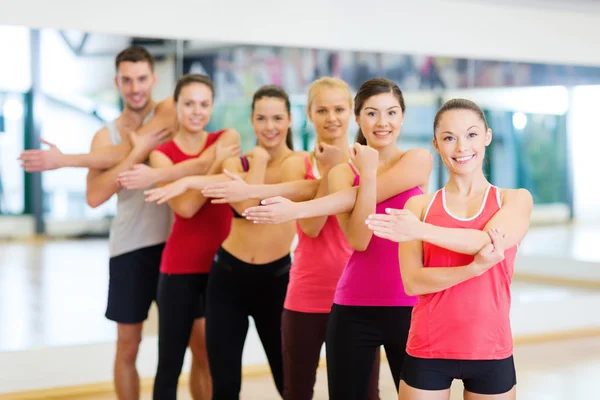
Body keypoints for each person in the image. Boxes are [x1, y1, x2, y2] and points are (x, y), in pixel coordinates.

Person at [241, 78, 433, 400]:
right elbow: (359, 239)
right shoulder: (342, 173)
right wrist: (365, 174)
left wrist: (300, 207)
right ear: (358, 118)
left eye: (391, 112)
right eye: (371, 113)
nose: (382, 122)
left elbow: (356, 197)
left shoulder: (418, 160)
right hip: (353, 306)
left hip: (409, 303)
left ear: (402, 117)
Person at [198, 77, 381, 400]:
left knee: (361, 393)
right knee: (293, 392)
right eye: (322, 110)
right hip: (306, 293)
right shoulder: (298, 163)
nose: (331, 118)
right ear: (309, 114)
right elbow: (310, 227)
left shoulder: (368, 163)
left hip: (357, 293)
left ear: (352, 113)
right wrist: (327, 172)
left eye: (339, 109)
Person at [364, 98, 532, 400]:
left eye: (471, 135)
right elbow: (413, 281)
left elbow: (488, 242)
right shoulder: (418, 206)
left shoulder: (514, 199)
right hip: (428, 347)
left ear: (487, 137)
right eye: (449, 138)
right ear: (436, 144)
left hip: (490, 348)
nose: (461, 147)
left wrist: (420, 230)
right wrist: (473, 268)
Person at [145, 85, 299, 400]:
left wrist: (255, 160)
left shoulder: (300, 164)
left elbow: (252, 201)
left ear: (290, 120)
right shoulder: (237, 163)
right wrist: (252, 161)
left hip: (277, 281)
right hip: (228, 279)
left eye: (277, 118)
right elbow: (242, 203)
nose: (269, 127)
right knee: (225, 385)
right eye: (261, 118)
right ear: (252, 122)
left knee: (290, 382)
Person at [148, 74, 239, 400]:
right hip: (179, 271)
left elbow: (196, 192)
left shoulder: (227, 135)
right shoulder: (161, 155)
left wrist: (198, 172)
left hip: (221, 267)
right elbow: (186, 207)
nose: (196, 111)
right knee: (170, 363)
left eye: (203, 104)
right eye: (188, 104)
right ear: (177, 107)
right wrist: (214, 163)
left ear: (212, 106)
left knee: (209, 359)